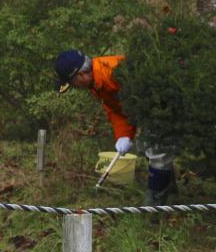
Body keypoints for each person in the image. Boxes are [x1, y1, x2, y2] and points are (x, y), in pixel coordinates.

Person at [54, 49, 177, 206]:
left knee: (156, 147)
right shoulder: (96, 83)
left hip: (162, 104)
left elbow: (148, 98)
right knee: (148, 146)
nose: (75, 87)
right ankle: (168, 186)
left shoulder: (114, 73)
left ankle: (155, 204)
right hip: (150, 108)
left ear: (81, 75)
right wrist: (123, 135)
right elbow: (118, 109)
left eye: (72, 83)